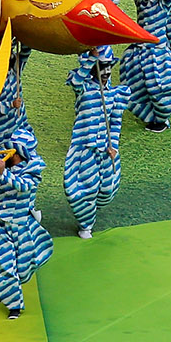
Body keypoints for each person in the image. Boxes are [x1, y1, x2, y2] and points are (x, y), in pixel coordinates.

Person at [0, 127, 47, 318]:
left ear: (17, 153)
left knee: (23, 266)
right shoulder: (5, 168)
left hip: (23, 226)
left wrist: (3, 173)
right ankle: (14, 305)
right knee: (2, 261)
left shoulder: (32, 171)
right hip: (0, 224)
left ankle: (5, 289)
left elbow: (23, 186)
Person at [64, 44, 125, 238]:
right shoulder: (83, 88)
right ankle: (86, 224)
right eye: (101, 67)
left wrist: (113, 146)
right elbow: (76, 81)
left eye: (108, 67)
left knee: (107, 189)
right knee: (81, 190)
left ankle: (92, 209)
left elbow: (115, 122)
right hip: (84, 149)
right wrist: (91, 59)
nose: (106, 72)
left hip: (106, 150)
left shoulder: (115, 94)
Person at [116, 0, 171, 132]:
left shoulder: (164, 3)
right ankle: (149, 115)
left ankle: (162, 119)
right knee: (134, 82)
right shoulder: (141, 1)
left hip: (157, 52)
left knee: (158, 85)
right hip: (138, 50)